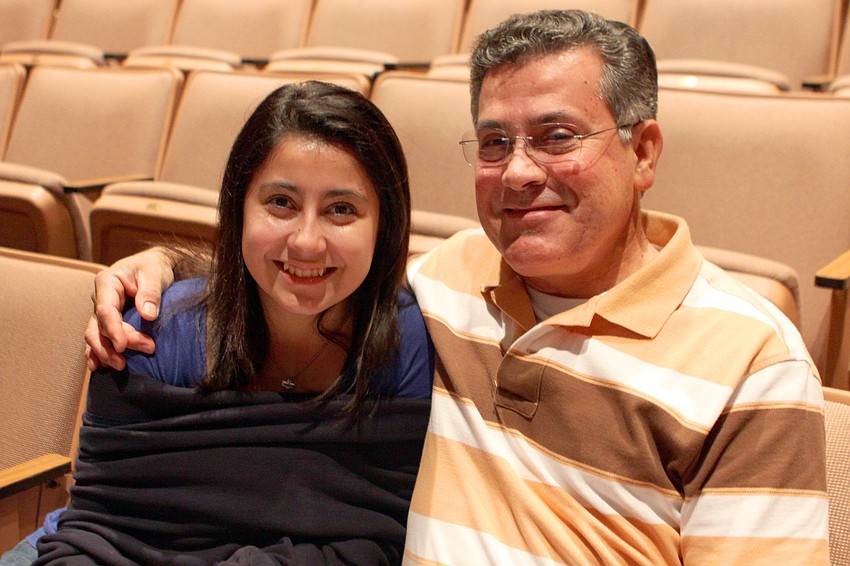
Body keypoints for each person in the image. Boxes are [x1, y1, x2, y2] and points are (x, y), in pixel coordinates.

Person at [81, 10, 830, 565]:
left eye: (557, 136)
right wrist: (162, 264)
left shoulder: (753, 361)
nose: (520, 172)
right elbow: (309, 269)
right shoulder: (452, 280)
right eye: (496, 142)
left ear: (644, 151)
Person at [12, 81, 434, 566]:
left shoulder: (408, 345)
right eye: (281, 202)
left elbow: (380, 538)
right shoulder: (155, 332)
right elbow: (99, 523)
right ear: (238, 209)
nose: (307, 242)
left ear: (385, 225)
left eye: (342, 209)